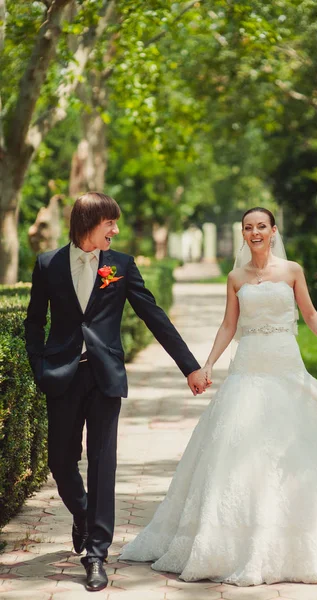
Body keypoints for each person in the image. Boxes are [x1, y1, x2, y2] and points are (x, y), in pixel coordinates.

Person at [120, 207, 317, 586]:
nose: (254, 233)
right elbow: (229, 325)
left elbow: (310, 314)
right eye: (248, 228)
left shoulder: (292, 271)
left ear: (273, 230)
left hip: (287, 364)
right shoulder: (235, 277)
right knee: (239, 444)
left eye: (261, 227)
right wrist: (208, 365)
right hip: (249, 366)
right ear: (243, 234)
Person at [24, 192, 208, 592]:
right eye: (111, 223)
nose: (116, 230)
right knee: (60, 461)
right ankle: (84, 515)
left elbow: (153, 315)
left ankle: (96, 554)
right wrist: (40, 367)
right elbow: (34, 321)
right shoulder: (48, 264)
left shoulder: (121, 265)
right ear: (90, 222)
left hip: (105, 376)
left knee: (103, 463)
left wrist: (189, 367)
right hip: (62, 374)